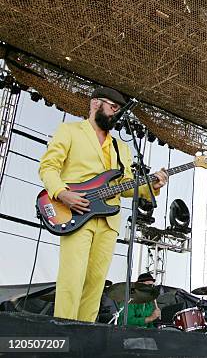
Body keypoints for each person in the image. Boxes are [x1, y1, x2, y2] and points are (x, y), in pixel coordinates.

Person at [39, 86, 169, 322]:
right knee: (72, 278)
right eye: (113, 107)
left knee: (95, 284)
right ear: (95, 103)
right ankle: (62, 331)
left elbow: (127, 186)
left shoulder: (122, 148)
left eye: (118, 110)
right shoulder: (69, 131)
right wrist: (61, 193)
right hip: (75, 213)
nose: (115, 113)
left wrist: (153, 186)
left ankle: (84, 335)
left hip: (108, 221)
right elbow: (48, 168)